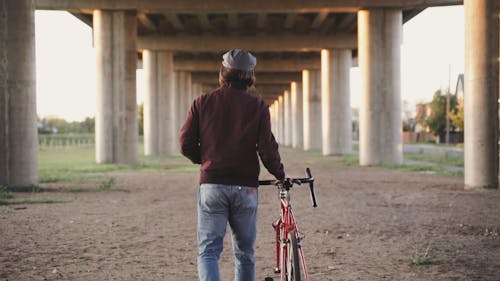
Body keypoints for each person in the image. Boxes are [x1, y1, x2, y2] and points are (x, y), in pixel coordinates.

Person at [179, 49, 285, 281]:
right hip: (245, 187)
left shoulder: (202, 103)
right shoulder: (258, 107)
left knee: (208, 251)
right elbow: (267, 149)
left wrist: (206, 161)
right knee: (244, 253)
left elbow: (185, 143)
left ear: (222, 74)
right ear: (249, 77)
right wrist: (280, 174)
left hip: (212, 185)